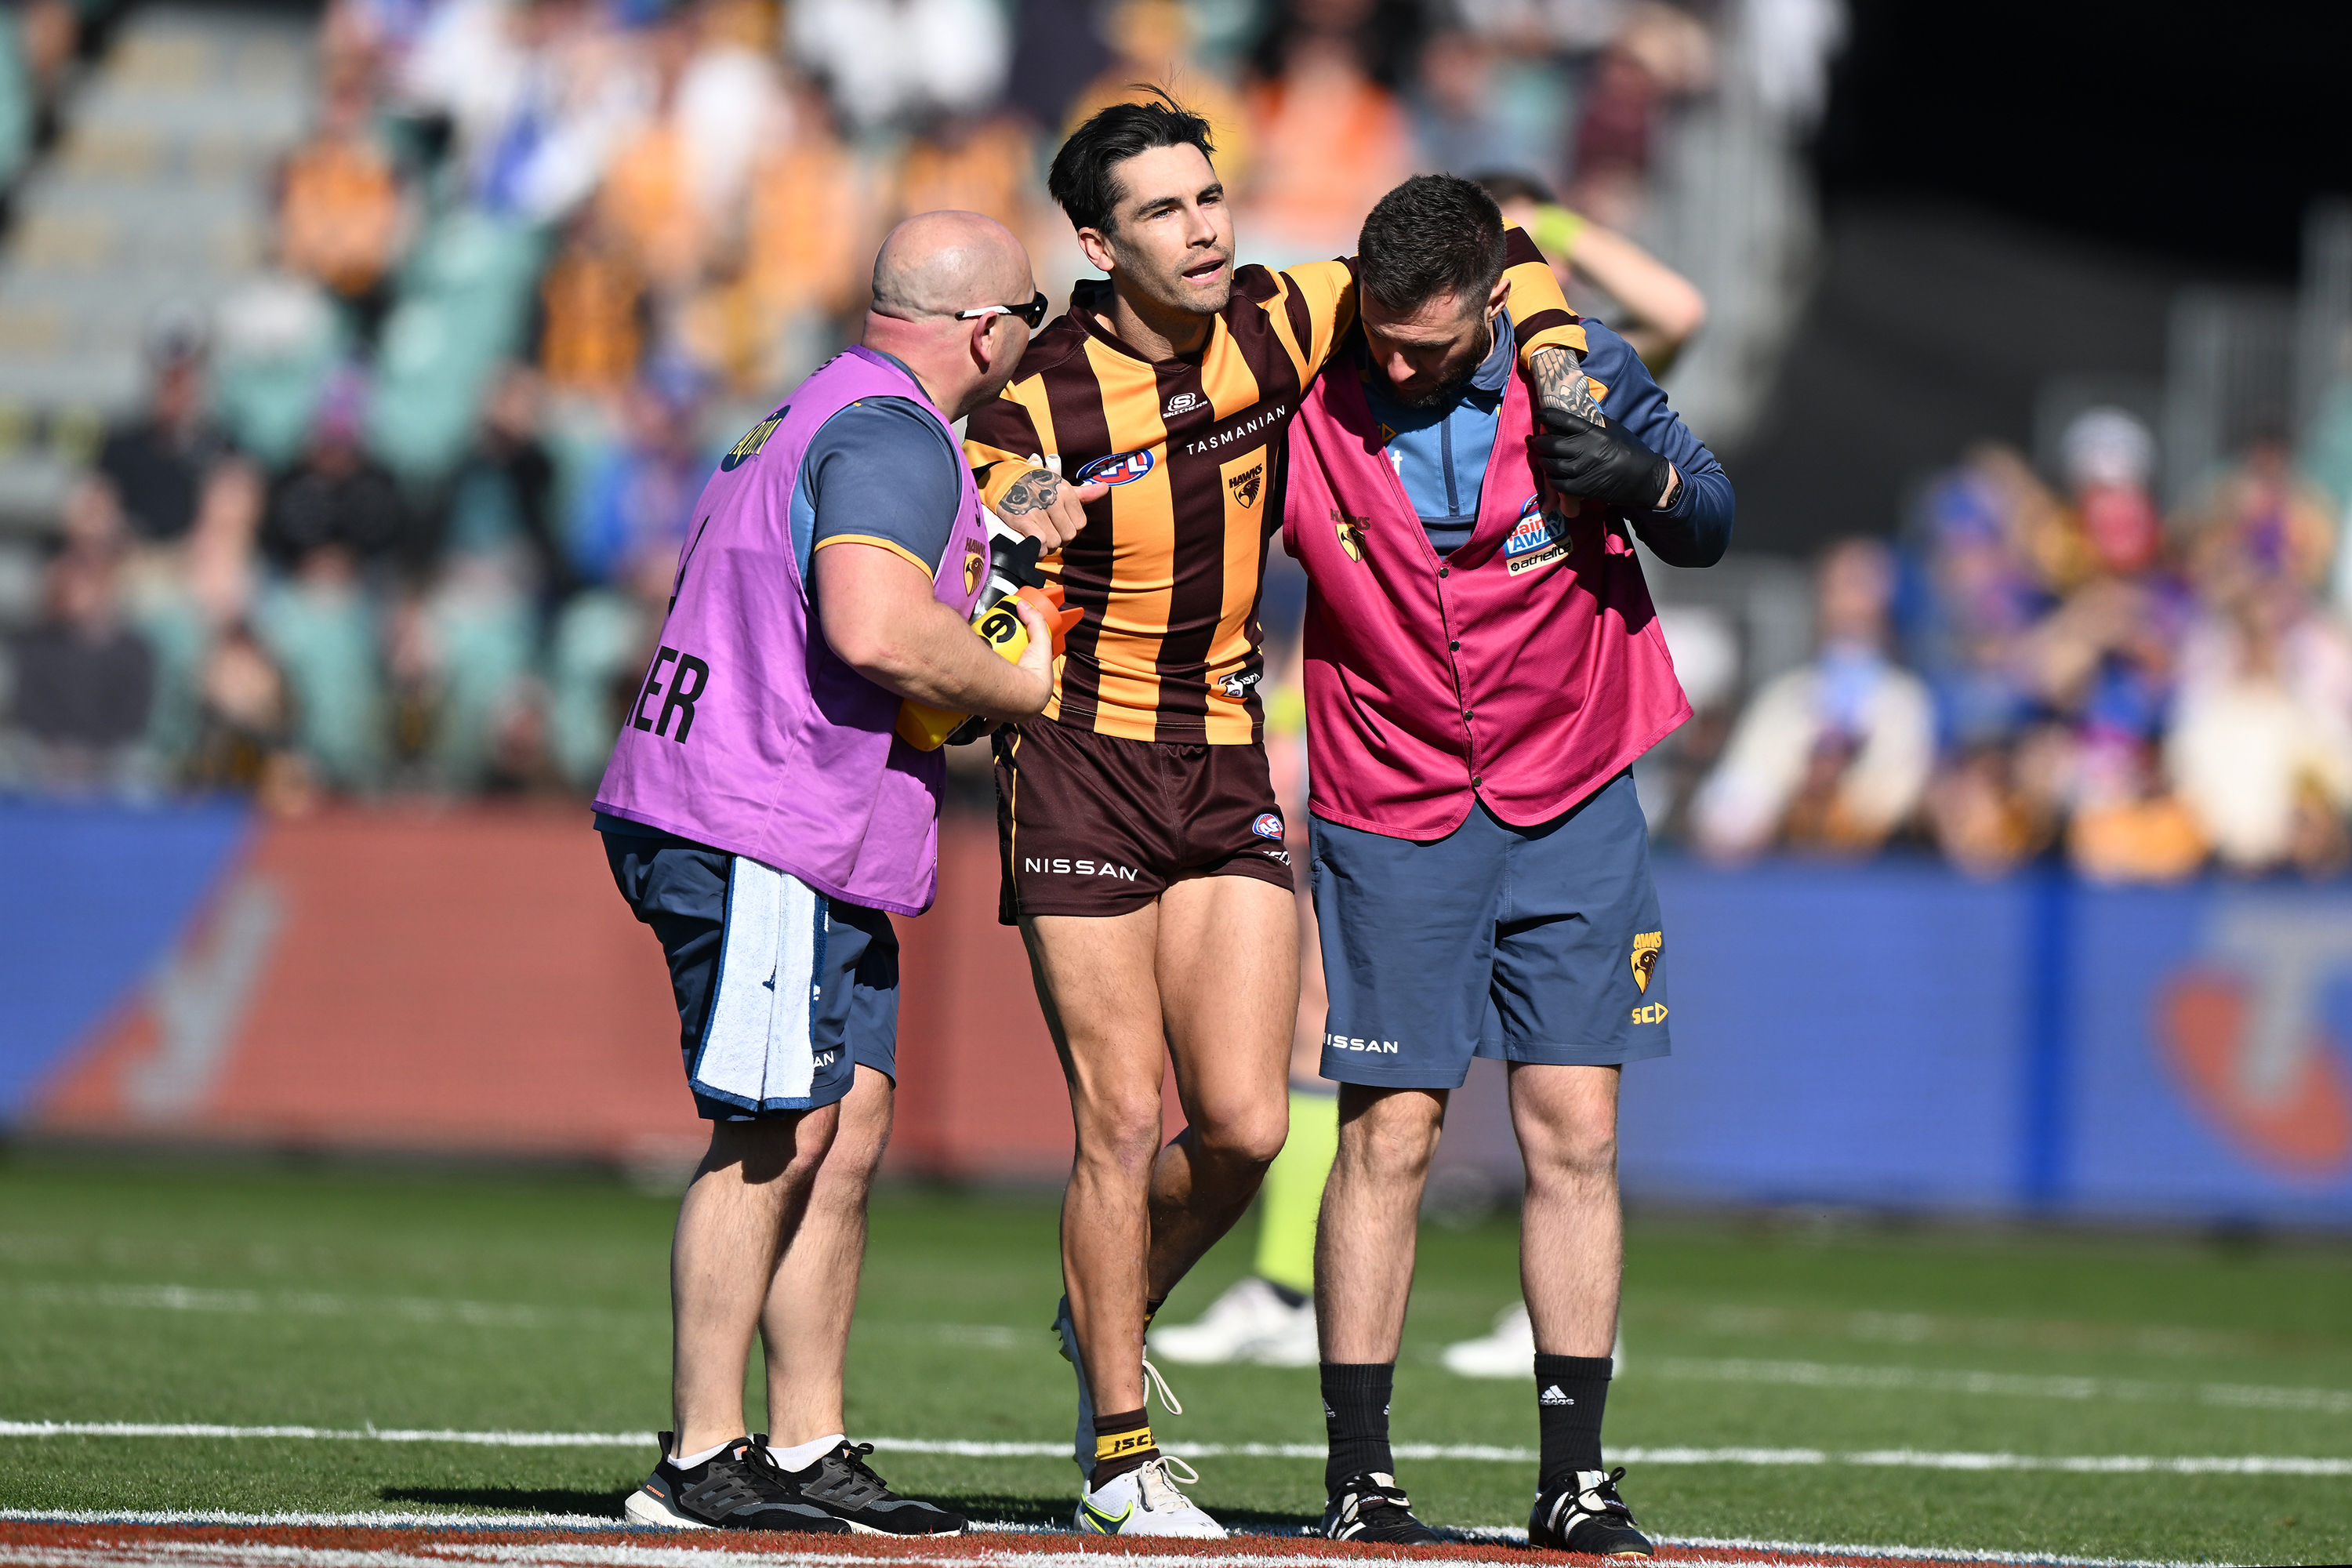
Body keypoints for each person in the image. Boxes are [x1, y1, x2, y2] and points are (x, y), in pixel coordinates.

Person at [961, 95, 1593, 1538]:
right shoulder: (1028, 407)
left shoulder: (1287, 315)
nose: (1204, 226)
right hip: (1081, 758)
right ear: (1095, 242)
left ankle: (1104, 1305)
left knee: (1246, 1128)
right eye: (1165, 210)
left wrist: (1552, 357)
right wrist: (1011, 544)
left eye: (1211, 195)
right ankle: (1119, 1456)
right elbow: (973, 597)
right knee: (1120, 1120)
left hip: (1227, 748)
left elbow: (1503, 241)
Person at [1280, 174, 1733, 1552]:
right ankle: (1361, 1478)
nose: (1397, 364)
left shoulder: (1580, 371)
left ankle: (1574, 1480)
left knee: (1576, 1137)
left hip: (1576, 795)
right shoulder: (1305, 388)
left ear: (1494, 301)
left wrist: (1641, 481)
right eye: (1382, 334)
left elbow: (1708, 513)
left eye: (1427, 341)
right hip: (1391, 795)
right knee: (1390, 1132)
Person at [592, 211, 1062, 1535]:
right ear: (984, 328)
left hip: (793, 823)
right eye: (1027, 317)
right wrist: (1015, 688)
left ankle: (806, 1446)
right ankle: (698, 1458)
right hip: (762, 821)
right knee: (775, 1125)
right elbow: (872, 624)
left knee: (840, 1129)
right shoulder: (894, 433)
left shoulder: (832, 408)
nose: (1030, 343)